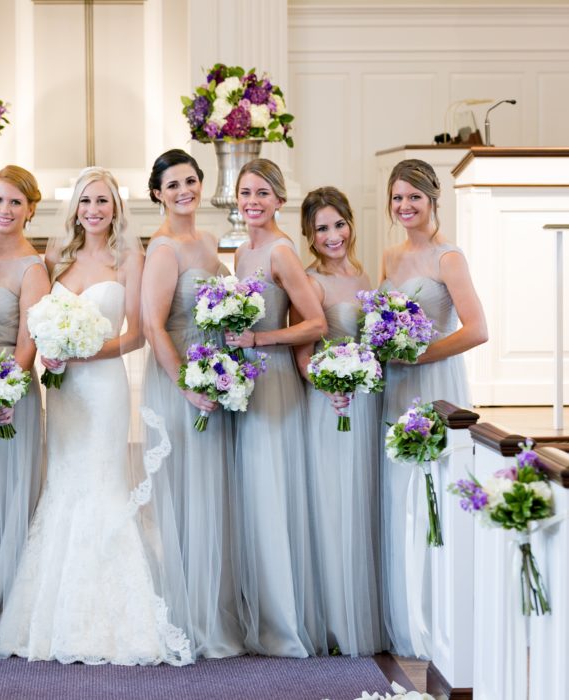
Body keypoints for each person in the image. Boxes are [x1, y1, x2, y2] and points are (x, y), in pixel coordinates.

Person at [0, 167, 191, 665]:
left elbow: (136, 334)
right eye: (86, 201)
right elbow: (37, 322)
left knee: (102, 484)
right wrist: (53, 352)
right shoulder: (57, 257)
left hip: (103, 388)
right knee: (64, 485)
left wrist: (85, 351)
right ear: (74, 208)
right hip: (65, 390)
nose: (93, 210)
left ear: (116, 208)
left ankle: (117, 617)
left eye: (102, 201)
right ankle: (51, 613)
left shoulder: (130, 259)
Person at [379, 159, 487, 659]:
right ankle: (405, 614)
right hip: (396, 386)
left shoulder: (449, 258)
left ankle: (441, 616)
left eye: (414, 198)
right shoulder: (390, 256)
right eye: (398, 198)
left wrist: (421, 355)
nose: (405, 206)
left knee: (433, 494)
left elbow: (477, 329)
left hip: (433, 380)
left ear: (433, 200)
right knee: (399, 496)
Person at [140, 148, 244, 659]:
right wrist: (185, 384)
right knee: (185, 491)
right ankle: (186, 613)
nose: (184, 191)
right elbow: (153, 325)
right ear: (157, 194)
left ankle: (212, 604)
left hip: (214, 372)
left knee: (211, 489)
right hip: (180, 375)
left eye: (190, 181)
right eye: (173, 185)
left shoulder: (206, 239)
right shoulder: (163, 249)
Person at [223, 159, 327, 656]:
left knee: (272, 492)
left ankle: (283, 623)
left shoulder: (281, 252)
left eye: (263, 193)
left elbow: (316, 323)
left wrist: (259, 339)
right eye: (246, 192)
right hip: (245, 383)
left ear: (280, 200)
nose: (253, 202)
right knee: (252, 493)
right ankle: (258, 610)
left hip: (276, 380)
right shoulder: (242, 252)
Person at [293, 186, 384, 656]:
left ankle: (364, 610)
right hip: (332, 405)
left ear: (350, 223)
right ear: (309, 236)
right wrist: (328, 385)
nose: (333, 236)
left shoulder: (364, 275)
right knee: (333, 504)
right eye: (321, 229)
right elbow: (302, 356)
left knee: (361, 502)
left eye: (339, 224)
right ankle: (336, 622)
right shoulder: (311, 283)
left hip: (366, 403)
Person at [0, 165, 50, 643]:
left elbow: (27, 344)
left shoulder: (32, 269)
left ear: (30, 209)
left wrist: (4, 391)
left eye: (16, 202)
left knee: (6, 495)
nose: (5, 210)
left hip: (7, 391)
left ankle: (8, 610)